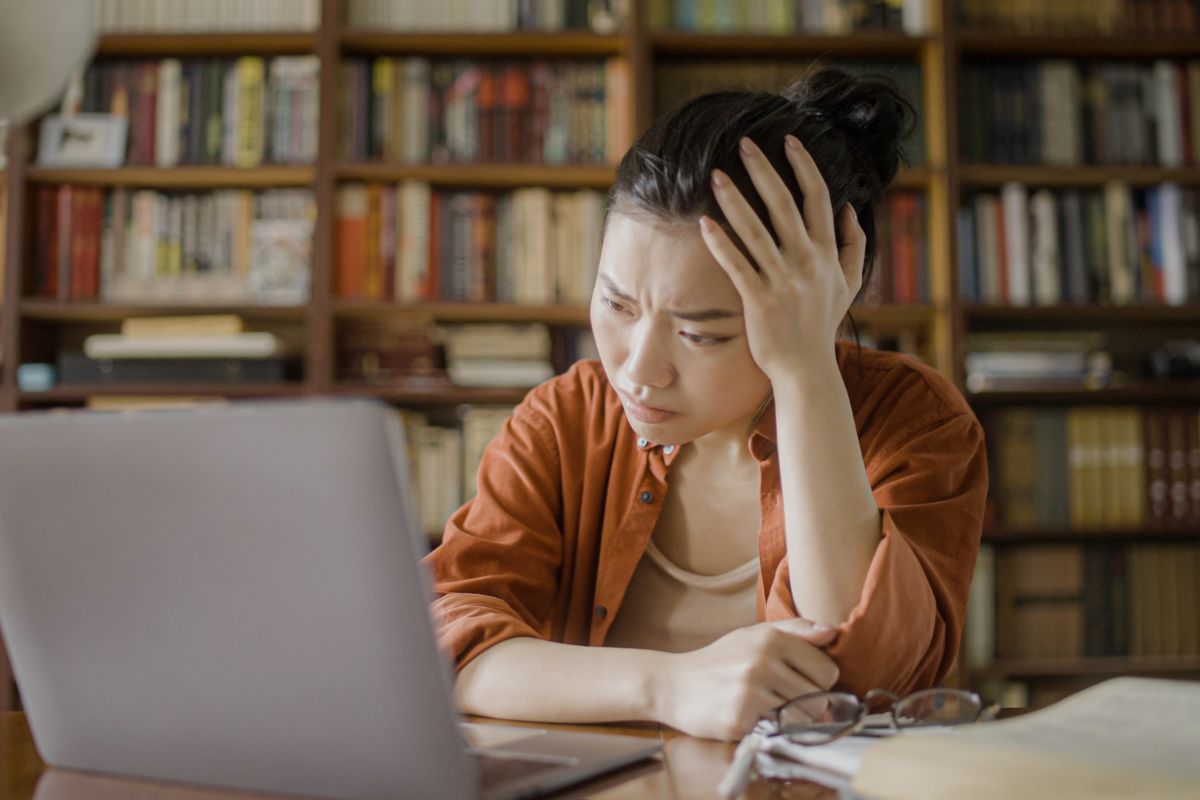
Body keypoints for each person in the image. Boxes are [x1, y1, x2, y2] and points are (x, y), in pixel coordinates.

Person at [424, 67, 988, 742]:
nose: (636, 369)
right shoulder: (567, 418)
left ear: (821, 296)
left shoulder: (914, 421)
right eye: (616, 304)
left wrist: (807, 370)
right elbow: (442, 634)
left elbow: (872, 677)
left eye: (702, 333)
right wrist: (669, 686)